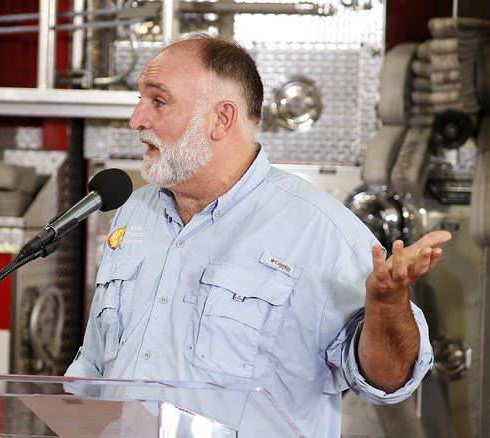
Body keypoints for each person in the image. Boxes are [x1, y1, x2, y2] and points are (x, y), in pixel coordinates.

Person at [65, 33, 452, 437]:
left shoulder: (322, 233)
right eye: (140, 99)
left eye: (158, 101)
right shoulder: (131, 212)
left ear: (221, 119)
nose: (137, 119)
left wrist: (387, 304)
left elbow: (388, 383)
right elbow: (94, 365)